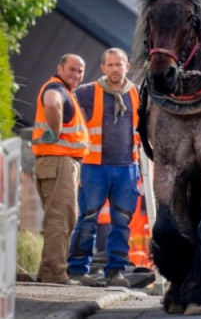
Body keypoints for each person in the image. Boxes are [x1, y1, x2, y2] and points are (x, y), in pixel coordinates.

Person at [66, 48, 142, 288]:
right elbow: (66, 108)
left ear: (127, 67)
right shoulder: (87, 92)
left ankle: (115, 272)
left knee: (122, 222)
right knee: (87, 219)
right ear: (103, 68)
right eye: (110, 65)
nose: (115, 69)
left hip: (127, 168)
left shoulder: (137, 94)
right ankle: (77, 271)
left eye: (119, 65)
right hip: (94, 167)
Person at [31, 54, 89, 285]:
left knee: (64, 218)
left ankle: (49, 271)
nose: (76, 75)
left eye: (80, 71)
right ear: (60, 68)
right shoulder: (56, 88)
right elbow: (53, 102)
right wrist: (54, 133)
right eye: (72, 70)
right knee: (60, 219)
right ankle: (54, 275)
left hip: (60, 163)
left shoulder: (66, 91)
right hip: (59, 162)